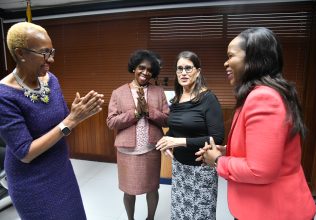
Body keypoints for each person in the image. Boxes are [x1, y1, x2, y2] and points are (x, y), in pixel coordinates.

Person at [195, 27, 316, 220]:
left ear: (253, 58)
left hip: (274, 212)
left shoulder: (263, 98)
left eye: (230, 56)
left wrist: (218, 160)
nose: (225, 63)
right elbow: (265, 151)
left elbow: (260, 171)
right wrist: (228, 151)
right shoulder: (262, 94)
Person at [0, 22, 104, 219]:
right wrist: (71, 121)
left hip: (61, 169)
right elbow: (25, 153)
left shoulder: (51, 80)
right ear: (21, 53)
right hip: (31, 181)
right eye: (45, 53)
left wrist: (77, 114)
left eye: (52, 51)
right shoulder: (4, 95)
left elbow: (63, 124)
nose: (52, 59)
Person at [156, 51, 225, 220]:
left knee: (200, 215)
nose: (183, 73)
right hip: (180, 168)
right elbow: (176, 128)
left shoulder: (208, 98)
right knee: (180, 213)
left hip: (201, 169)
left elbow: (217, 138)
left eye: (188, 68)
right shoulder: (177, 99)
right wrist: (168, 141)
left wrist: (178, 141)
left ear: (198, 71)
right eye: (179, 69)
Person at [106, 49, 169, 220]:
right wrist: (134, 114)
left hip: (151, 149)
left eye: (150, 70)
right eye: (142, 68)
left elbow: (167, 120)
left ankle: (150, 218)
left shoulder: (158, 92)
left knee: (153, 188)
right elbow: (111, 122)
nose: (145, 72)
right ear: (134, 68)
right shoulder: (118, 93)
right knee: (128, 190)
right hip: (127, 151)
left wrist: (149, 111)